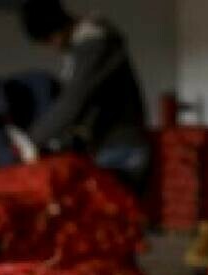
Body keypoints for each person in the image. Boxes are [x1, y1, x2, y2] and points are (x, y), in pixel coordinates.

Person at [18, 0, 149, 189]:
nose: (52, 48)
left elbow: (73, 101)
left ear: (56, 31)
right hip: (108, 147)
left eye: (48, 41)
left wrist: (32, 140)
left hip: (121, 149)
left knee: (110, 214)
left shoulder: (95, 46)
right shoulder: (83, 49)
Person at [0, 71, 60, 165]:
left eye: (6, 113)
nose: (6, 120)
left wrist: (33, 144)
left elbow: (54, 127)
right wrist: (14, 152)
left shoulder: (42, 87)